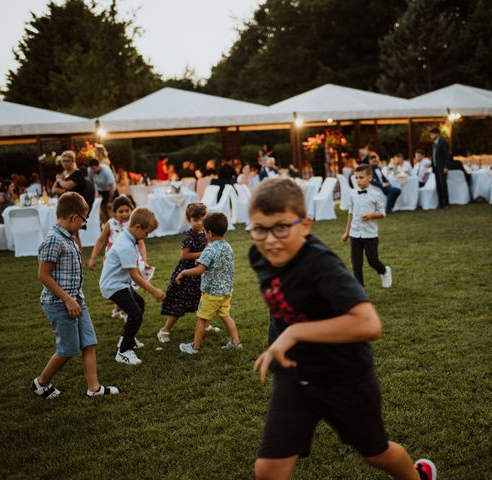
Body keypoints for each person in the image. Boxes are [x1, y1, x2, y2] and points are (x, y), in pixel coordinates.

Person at [247, 178, 436, 480]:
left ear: (305, 225)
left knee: (376, 453)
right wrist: (279, 340)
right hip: (295, 374)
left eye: (281, 227)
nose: (270, 240)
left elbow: (369, 324)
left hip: (344, 377)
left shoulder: (321, 265)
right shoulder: (259, 256)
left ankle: (418, 476)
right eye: (259, 229)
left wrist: (295, 333)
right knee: (268, 469)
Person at [31, 192, 119, 399]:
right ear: (73, 217)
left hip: (77, 301)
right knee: (68, 349)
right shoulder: (53, 240)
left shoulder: (68, 237)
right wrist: (68, 299)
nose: (83, 224)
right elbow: (43, 276)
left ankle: (94, 388)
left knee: (89, 342)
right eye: (84, 220)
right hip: (60, 304)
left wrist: (74, 298)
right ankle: (41, 383)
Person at [99, 207, 165, 366]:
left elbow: (135, 271)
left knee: (139, 304)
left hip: (121, 283)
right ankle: (123, 351)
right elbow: (134, 274)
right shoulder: (126, 245)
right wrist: (154, 290)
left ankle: (127, 338)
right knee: (135, 313)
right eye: (146, 233)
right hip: (113, 286)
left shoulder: (129, 238)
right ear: (137, 227)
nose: (146, 236)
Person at [177, 212, 242, 354]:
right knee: (225, 315)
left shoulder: (209, 249)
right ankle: (236, 342)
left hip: (211, 293)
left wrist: (183, 272)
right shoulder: (228, 247)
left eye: (204, 231)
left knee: (201, 319)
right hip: (226, 291)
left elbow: (199, 270)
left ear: (210, 233)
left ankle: (195, 347)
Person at [88, 195, 150, 320]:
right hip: (114, 260)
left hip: (130, 258)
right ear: (114, 212)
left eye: (127, 210)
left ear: (132, 210)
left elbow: (141, 244)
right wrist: (93, 258)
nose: (125, 214)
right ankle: (123, 309)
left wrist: (144, 260)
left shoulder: (133, 225)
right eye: (121, 211)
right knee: (118, 285)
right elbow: (100, 240)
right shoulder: (110, 224)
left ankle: (120, 309)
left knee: (127, 284)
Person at [157, 203, 212, 343]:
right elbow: (185, 255)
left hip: (200, 273)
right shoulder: (189, 236)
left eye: (202, 219)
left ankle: (206, 325)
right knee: (180, 303)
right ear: (189, 220)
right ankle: (164, 330)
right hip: (187, 275)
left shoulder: (205, 232)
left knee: (205, 300)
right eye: (195, 220)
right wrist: (204, 252)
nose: (199, 223)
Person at [342, 165, 392, 289]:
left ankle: (384, 271)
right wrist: (346, 232)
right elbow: (351, 213)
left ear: (370, 177)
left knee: (372, 261)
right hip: (355, 234)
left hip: (370, 234)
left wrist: (371, 215)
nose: (358, 180)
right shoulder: (353, 193)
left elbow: (383, 214)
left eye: (361, 178)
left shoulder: (376, 194)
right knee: (356, 263)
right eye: (356, 178)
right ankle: (360, 289)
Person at [88, 158, 118, 223]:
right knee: (103, 209)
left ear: (98, 166)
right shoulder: (90, 170)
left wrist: (109, 201)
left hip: (110, 190)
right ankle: (106, 225)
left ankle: (115, 223)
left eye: (94, 168)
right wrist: (96, 193)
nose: (92, 170)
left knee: (110, 208)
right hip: (100, 190)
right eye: (91, 168)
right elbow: (91, 183)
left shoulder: (106, 171)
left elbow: (111, 187)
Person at [429, 128, 450, 208]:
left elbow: (446, 155)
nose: (431, 136)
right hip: (436, 167)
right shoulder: (434, 143)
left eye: (432, 134)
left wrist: (446, 166)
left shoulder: (443, 142)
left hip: (442, 167)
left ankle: (446, 203)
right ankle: (441, 203)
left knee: (443, 185)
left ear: (437, 134)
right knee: (438, 185)